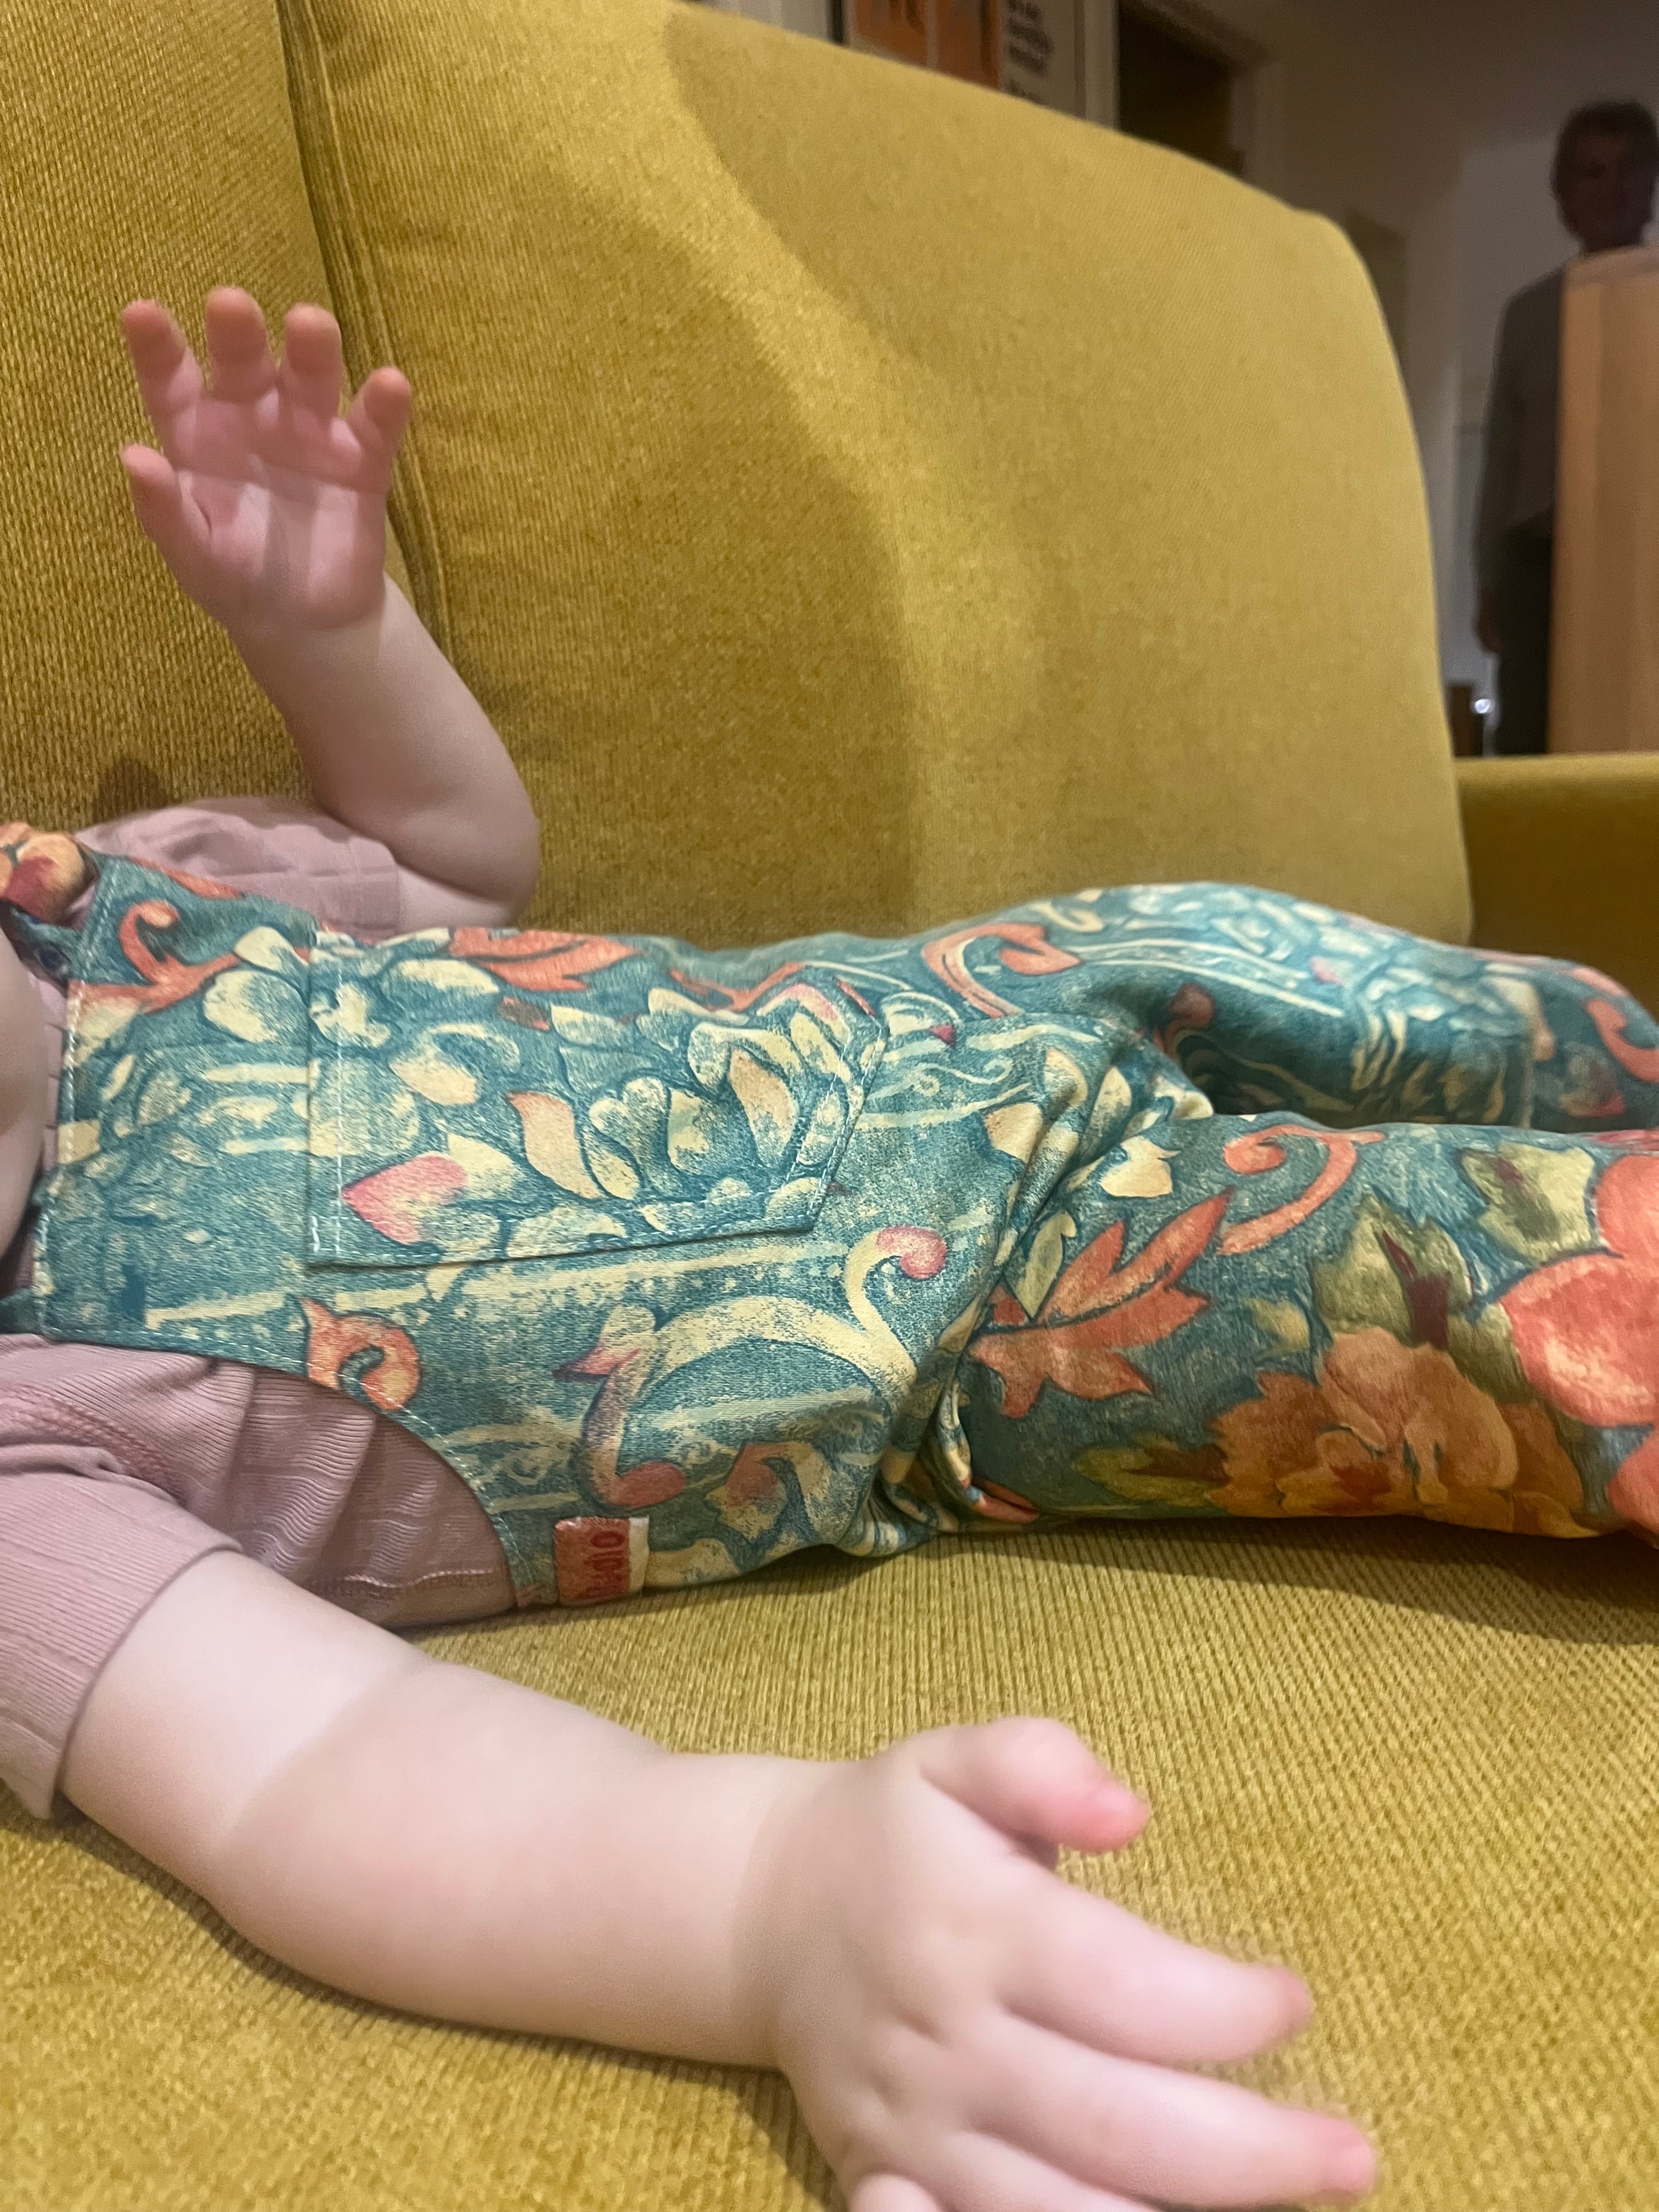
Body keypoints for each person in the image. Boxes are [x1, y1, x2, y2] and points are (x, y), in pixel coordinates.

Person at [9, 292, 1659, 2212]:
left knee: (1482, 1006)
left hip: (982, 984)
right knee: (1516, 1291)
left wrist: (329, 635)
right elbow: (317, 1766)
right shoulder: (30, 1463)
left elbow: (457, 865)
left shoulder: (124, 891)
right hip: (1017, 1309)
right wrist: (767, 1908)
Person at [1474, 99, 1659, 755]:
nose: (1612, 186)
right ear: (1564, 197)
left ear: (1651, 186)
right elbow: (1502, 453)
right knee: (1528, 736)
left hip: (1643, 552)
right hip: (1538, 563)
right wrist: (1489, 581)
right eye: (1592, 172)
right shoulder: (1527, 315)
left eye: (1628, 169)